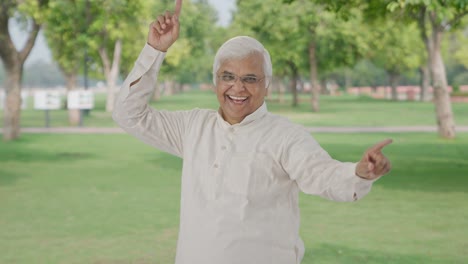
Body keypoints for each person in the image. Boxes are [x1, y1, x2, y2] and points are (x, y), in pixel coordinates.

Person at [113, 1, 392, 263]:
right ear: (215, 81)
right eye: (228, 77)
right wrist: (154, 49)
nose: (238, 88)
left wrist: (359, 173)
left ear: (266, 85)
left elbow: (323, 175)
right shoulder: (193, 127)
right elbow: (128, 114)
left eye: (250, 79)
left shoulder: (285, 136)